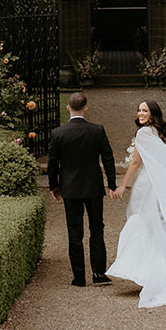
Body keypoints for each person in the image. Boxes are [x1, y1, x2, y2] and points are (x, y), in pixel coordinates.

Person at [106, 99, 166, 308]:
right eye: (139, 110)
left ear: (153, 114)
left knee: (146, 224)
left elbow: (136, 162)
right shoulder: (162, 133)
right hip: (161, 184)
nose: (140, 113)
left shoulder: (143, 134)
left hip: (147, 184)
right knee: (159, 226)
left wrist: (123, 185)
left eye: (145, 110)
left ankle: (153, 274)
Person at [46, 91, 118, 287]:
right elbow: (108, 158)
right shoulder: (97, 130)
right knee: (97, 228)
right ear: (86, 108)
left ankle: (79, 277)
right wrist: (111, 184)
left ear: (68, 107)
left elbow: (53, 163)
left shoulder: (58, 133)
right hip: (93, 186)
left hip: (69, 188)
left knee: (74, 231)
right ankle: (98, 273)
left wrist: (54, 185)